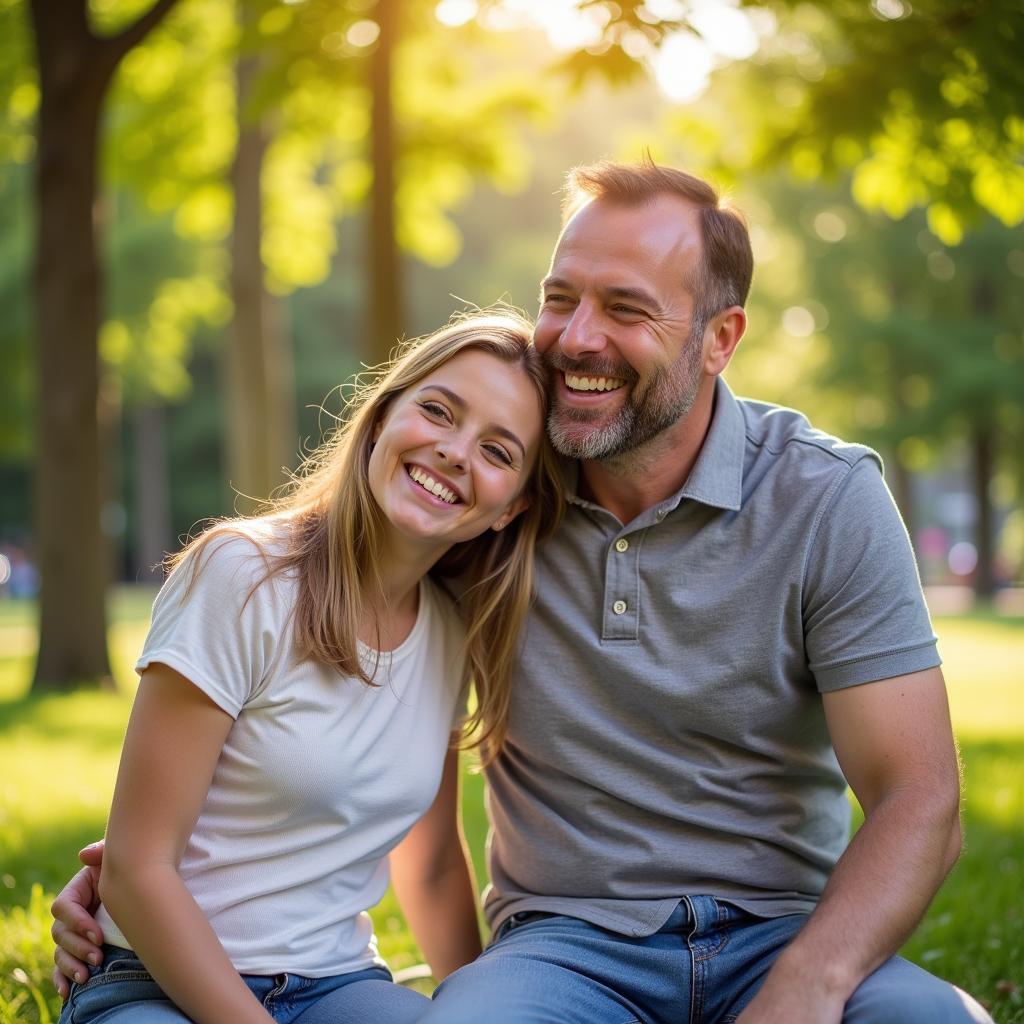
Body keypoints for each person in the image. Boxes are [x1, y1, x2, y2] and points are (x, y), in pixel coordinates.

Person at [53, 162, 992, 1023]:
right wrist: (131, 882)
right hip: (565, 950)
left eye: (626, 307)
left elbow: (920, 794)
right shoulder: (490, 523)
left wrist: (810, 986)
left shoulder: (824, 498)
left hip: (783, 933)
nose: (579, 337)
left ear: (721, 339)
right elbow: (281, 707)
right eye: (560, 297)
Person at [49, 310, 563, 1024]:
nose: (453, 452)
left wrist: (481, 1007)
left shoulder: (451, 636)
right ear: (383, 418)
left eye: (498, 452)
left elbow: (435, 862)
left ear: (513, 508)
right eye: (438, 412)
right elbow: (137, 870)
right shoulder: (242, 575)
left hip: (334, 987)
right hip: (155, 981)